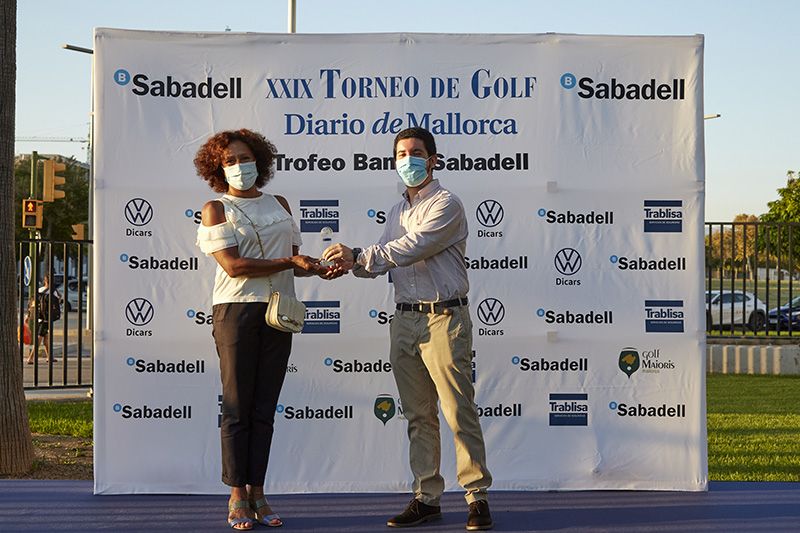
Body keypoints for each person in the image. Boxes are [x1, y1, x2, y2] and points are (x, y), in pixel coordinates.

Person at [322, 127, 493, 531]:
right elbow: (384, 261)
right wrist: (347, 266)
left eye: (416, 152)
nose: (408, 159)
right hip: (404, 319)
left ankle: (476, 496)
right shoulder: (397, 210)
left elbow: (411, 247)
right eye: (401, 153)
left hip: (443, 318)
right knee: (418, 414)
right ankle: (427, 497)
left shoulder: (447, 204)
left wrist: (360, 255)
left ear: (433, 159)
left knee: (457, 409)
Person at [194, 128, 339, 530]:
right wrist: (292, 264)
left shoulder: (280, 203)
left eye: (245, 158)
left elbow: (293, 257)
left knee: (264, 407)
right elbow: (234, 267)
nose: (240, 166)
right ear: (218, 169)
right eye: (230, 161)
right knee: (237, 406)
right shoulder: (216, 208)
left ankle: (258, 490)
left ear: (260, 160)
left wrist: (315, 268)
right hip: (235, 312)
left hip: (279, 312)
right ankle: (236, 493)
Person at [26, 274, 61, 364]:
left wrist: (28, 315)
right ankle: (31, 358)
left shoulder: (39, 290)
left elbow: (33, 303)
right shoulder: (53, 291)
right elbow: (58, 301)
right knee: (40, 337)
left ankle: (49, 357)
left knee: (46, 338)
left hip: (38, 317)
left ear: (45, 281)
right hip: (46, 319)